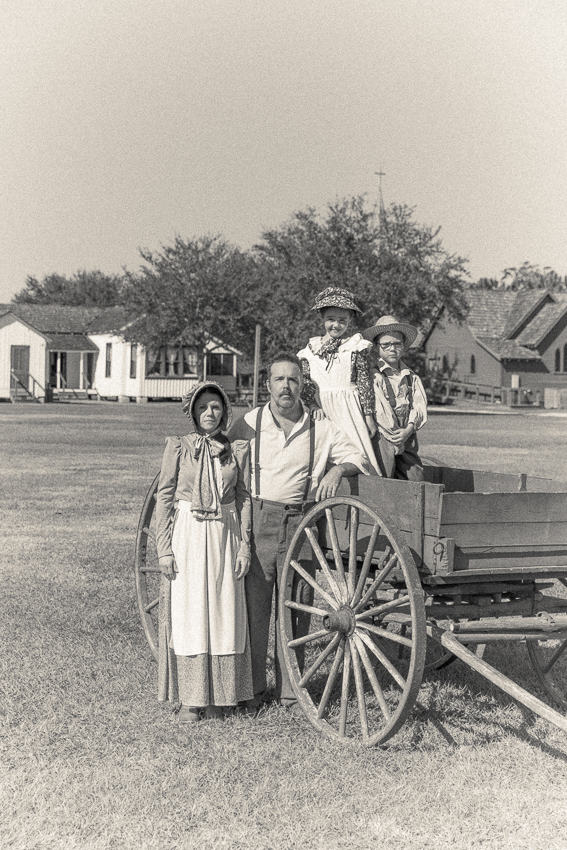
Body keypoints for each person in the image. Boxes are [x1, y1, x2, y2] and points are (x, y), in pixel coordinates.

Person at [227, 352, 369, 714]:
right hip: (258, 523)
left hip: (301, 524)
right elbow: (221, 459)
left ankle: (292, 694)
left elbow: (357, 457)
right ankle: (253, 690)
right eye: (279, 380)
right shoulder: (248, 422)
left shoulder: (320, 428)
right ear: (268, 385)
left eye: (293, 380)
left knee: (295, 609)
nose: (285, 387)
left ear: (302, 385)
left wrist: (337, 472)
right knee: (254, 612)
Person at [155, 381, 254, 723]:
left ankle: (220, 697)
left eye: (215, 407)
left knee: (223, 608)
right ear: (192, 413)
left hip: (224, 533)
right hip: (188, 533)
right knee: (191, 610)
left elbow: (243, 498)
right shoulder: (179, 448)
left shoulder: (236, 450)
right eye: (202, 408)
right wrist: (164, 549)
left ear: (225, 412)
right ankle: (190, 700)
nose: (209, 413)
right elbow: (165, 498)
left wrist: (244, 545)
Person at [297, 286, 381, 475]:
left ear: (350, 320)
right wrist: (312, 406)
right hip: (322, 411)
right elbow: (306, 384)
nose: (336, 325)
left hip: (349, 410)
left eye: (342, 320)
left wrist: (368, 417)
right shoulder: (309, 352)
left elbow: (364, 383)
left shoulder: (354, 347)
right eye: (331, 319)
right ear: (322, 319)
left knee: (357, 452)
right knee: (322, 455)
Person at [362, 315, 428, 481]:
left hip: (407, 433)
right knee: (384, 475)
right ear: (377, 347)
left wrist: (409, 429)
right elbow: (381, 410)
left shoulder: (411, 377)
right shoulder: (374, 376)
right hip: (384, 434)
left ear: (403, 346)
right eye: (386, 345)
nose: (392, 349)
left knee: (415, 477)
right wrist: (395, 438)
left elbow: (419, 405)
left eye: (397, 344)